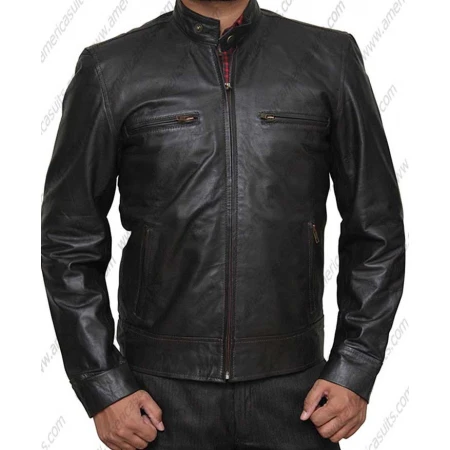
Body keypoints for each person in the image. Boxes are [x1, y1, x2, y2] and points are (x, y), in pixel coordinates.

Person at [40, 0, 406, 448]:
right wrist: (103, 383)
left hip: (298, 392)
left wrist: (355, 366)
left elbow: (377, 227)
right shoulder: (111, 68)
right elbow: (68, 240)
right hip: (157, 395)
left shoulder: (329, 59)